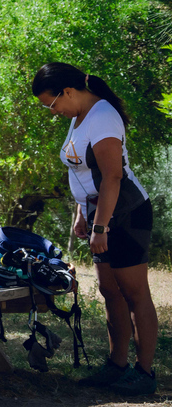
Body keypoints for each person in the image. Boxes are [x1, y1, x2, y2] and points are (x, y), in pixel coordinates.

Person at [32, 62, 157, 396]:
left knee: (134, 293)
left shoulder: (102, 116)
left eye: (51, 103)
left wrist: (100, 226)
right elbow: (84, 171)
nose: (52, 111)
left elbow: (112, 176)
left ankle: (145, 372)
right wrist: (81, 213)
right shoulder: (79, 117)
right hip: (97, 212)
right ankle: (117, 365)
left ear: (68, 92)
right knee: (109, 291)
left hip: (125, 213)